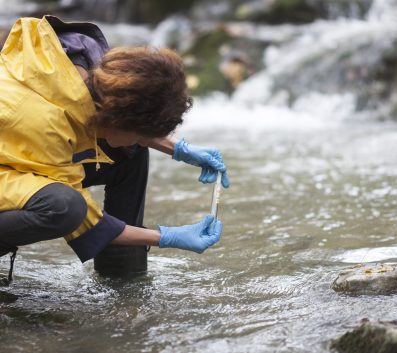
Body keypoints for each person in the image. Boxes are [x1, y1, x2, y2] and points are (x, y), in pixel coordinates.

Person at [0, 15, 230, 283]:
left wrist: (179, 148)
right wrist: (166, 237)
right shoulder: (44, 123)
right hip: (16, 152)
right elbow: (85, 220)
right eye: (140, 134)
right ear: (117, 119)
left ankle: (123, 278)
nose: (143, 141)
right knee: (64, 207)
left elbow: (121, 127)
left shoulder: (93, 71)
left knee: (129, 153)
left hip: (16, 153)